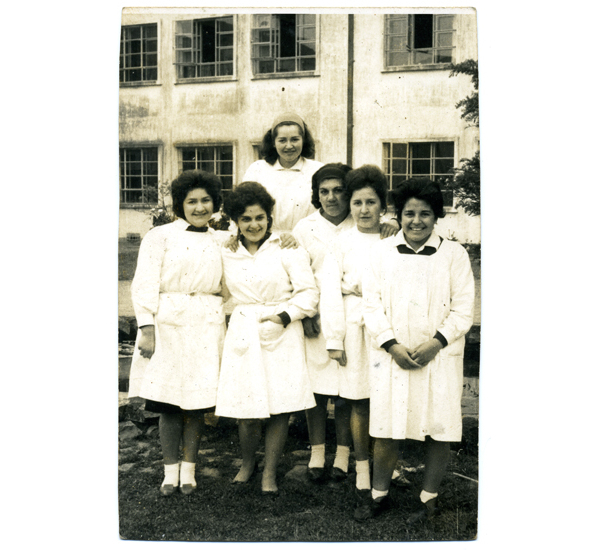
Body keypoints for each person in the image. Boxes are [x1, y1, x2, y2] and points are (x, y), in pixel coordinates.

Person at [355, 178, 475, 523]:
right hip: (392, 355)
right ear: (399, 215)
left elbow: (464, 307)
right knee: (387, 424)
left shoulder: (454, 254)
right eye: (409, 213)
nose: (417, 221)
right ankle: (379, 494)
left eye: (425, 214)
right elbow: (371, 306)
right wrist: (392, 345)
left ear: (436, 216)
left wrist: (436, 342)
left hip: (438, 355)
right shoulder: (380, 253)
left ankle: (429, 497)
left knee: (440, 424)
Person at [293, 164, 400, 485]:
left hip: (374, 324)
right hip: (334, 321)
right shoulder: (321, 234)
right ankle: (336, 460)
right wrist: (322, 327)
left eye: (339, 190)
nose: (331, 197)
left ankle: (365, 460)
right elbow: (316, 282)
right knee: (334, 393)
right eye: (324, 191)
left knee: (366, 395)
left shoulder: (383, 234)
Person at [215, 181, 319, 495]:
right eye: (245, 219)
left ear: (269, 217)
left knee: (280, 407)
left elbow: (309, 293)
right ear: (235, 221)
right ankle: (248, 463)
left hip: (283, 328)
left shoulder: (287, 246)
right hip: (245, 329)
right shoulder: (226, 250)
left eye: (260, 217)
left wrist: (285, 317)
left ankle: (269, 472)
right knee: (246, 410)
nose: (254, 224)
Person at [128, 170, 227, 496]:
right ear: (179, 204)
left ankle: (189, 471)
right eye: (192, 201)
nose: (199, 207)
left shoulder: (222, 239)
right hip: (169, 325)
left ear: (215, 203)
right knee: (169, 403)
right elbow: (144, 283)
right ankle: (170, 472)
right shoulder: (160, 236)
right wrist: (147, 328)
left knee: (195, 404)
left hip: (206, 326)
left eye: (205, 200)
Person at [336, 165, 390, 495]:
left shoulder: (393, 238)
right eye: (357, 203)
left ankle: (386, 464)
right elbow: (331, 288)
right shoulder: (342, 241)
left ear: (382, 205)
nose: (364, 210)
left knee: (385, 397)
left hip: (386, 328)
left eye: (371, 202)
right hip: (354, 327)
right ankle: (361, 467)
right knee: (359, 400)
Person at [243, 112, 323, 233]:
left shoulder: (318, 170)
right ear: (273, 142)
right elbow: (242, 207)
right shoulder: (257, 169)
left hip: (307, 238)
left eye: (295, 139)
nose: (289, 146)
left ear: (303, 141)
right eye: (282, 140)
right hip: (265, 239)